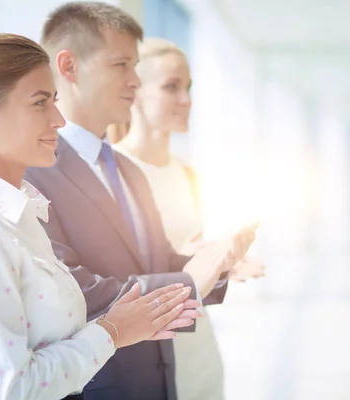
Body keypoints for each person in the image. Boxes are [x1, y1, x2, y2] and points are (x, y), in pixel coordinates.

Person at [0, 34, 199, 400]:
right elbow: (12, 390)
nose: (59, 120)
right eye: (39, 103)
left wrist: (122, 326)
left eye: (54, 101)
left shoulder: (20, 216)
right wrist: (112, 332)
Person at [24, 3, 256, 399]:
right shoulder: (33, 172)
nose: (135, 81)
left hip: (161, 382)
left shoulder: (127, 171)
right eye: (121, 65)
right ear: (69, 66)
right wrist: (189, 281)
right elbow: (76, 292)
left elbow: (159, 261)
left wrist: (217, 262)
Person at [112, 37, 265, 400]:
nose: (187, 100)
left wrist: (224, 262)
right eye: (171, 87)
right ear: (135, 92)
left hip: (199, 347)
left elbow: (188, 253)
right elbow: (114, 274)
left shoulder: (187, 173)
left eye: (189, 87)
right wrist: (191, 260)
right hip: (148, 350)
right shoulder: (111, 172)